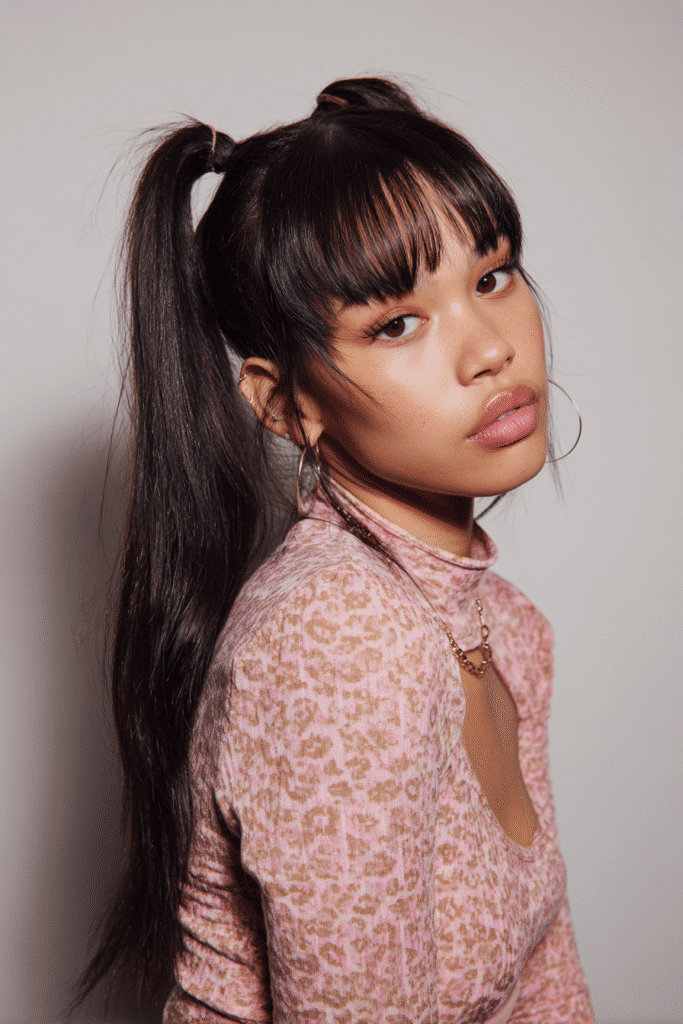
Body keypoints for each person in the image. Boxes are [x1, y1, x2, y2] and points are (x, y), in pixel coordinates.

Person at [77, 77, 594, 1023]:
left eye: (492, 275)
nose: (489, 349)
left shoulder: (507, 628)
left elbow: (542, 976)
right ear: (284, 405)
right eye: (395, 323)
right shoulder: (337, 638)